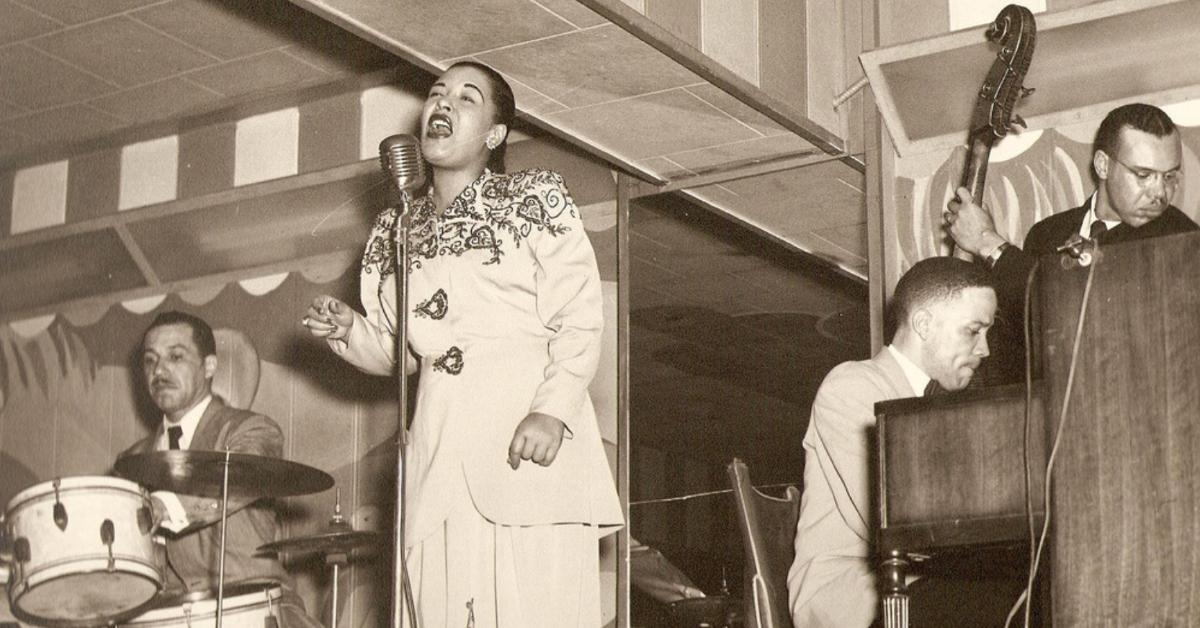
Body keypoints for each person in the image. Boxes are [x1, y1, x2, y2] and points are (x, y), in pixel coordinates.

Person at [303, 61, 623, 628]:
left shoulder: (533, 196)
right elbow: (402, 352)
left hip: (526, 449)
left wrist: (551, 411)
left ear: (494, 135)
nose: (442, 104)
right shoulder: (393, 229)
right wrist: (352, 333)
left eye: (466, 98)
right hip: (438, 457)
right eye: (436, 93)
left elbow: (579, 314)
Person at [787, 257, 1001, 627]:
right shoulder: (852, 386)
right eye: (973, 331)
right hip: (848, 592)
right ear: (923, 324)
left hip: (916, 580)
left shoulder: (945, 404)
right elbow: (885, 523)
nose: (985, 350)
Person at [945, 103, 1198, 381]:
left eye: (1170, 176)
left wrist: (988, 243)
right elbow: (1020, 347)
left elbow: (1086, 313)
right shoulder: (1046, 234)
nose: (1160, 193)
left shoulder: (1182, 239)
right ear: (1103, 165)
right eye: (1143, 175)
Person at [117, 311, 319, 627]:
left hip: (254, 605)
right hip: (169, 615)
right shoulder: (131, 460)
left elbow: (236, 481)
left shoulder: (250, 430)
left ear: (209, 366)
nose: (159, 370)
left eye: (175, 356)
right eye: (150, 360)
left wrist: (160, 508)